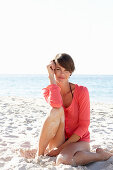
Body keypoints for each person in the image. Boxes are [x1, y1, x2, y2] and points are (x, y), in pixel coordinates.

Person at [20, 53, 112, 166]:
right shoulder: (49, 91)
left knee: (63, 161)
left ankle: (100, 155)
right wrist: (51, 78)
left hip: (79, 140)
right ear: (53, 70)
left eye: (66, 70)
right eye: (58, 69)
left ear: (71, 72)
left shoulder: (82, 91)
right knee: (55, 110)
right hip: (60, 138)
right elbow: (57, 104)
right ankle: (39, 154)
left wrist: (59, 149)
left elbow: (84, 125)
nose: (62, 73)